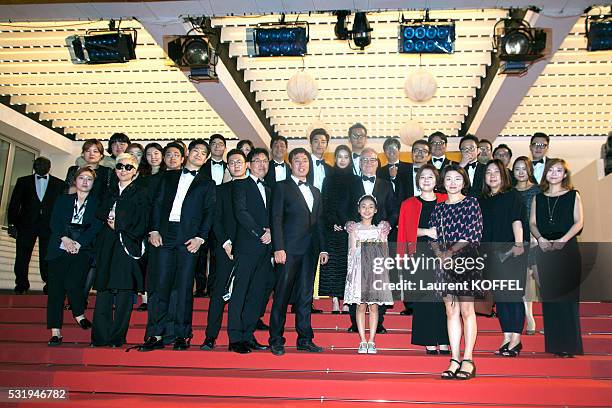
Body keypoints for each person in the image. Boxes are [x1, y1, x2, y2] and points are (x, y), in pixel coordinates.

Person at [139, 139, 216, 352]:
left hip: (189, 239)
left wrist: (200, 238)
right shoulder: (167, 176)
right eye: (196, 150)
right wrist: (153, 229)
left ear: (207, 158)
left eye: (203, 152)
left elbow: (210, 212)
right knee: (159, 286)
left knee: (183, 289)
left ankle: (182, 335)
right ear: (187, 153)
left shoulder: (207, 183)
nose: (199, 154)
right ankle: (155, 333)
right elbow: (157, 204)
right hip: (164, 235)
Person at [269, 148, 329, 356]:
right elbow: (275, 219)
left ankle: (305, 339)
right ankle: (276, 339)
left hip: (310, 251)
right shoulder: (281, 187)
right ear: (290, 164)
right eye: (297, 161)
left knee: (305, 296)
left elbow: (320, 222)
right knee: (282, 295)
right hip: (288, 250)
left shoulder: (315, 191)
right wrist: (278, 247)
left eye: (305, 161)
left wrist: (323, 248)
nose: (302, 164)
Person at [429, 165, 483, 380]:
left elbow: (473, 233)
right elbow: (433, 236)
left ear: (464, 181)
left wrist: (449, 251)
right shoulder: (439, 208)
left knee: (467, 311)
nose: (452, 182)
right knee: (451, 312)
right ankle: (454, 358)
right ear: (443, 181)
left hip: (466, 261)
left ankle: (468, 360)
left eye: (457, 178)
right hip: (444, 264)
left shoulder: (471, 203)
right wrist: (439, 253)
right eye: (448, 178)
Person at [91, 153, 149, 348]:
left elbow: (143, 222)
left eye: (128, 167)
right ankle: (100, 337)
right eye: (119, 166)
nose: (123, 170)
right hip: (107, 244)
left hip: (128, 244)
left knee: (125, 291)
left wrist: (120, 225)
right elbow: (98, 214)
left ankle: (117, 337)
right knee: (103, 290)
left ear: (136, 171)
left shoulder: (141, 193)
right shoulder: (107, 190)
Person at [529, 158, 584, 358]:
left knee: (568, 298)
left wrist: (563, 239)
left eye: (558, 170)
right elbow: (533, 223)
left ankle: (570, 345)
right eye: (551, 170)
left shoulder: (573, 195)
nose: (554, 174)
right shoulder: (539, 197)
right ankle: (554, 344)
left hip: (567, 248)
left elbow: (579, 222)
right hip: (545, 250)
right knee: (550, 298)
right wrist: (540, 239)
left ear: (564, 175)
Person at [396, 164, 449, 355]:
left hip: (444, 256)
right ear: (417, 181)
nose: (426, 180)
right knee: (425, 300)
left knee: (445, 300)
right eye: (422, 177)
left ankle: (444, 340)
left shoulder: (446, 199)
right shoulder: (408, 204)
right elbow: (403, 232)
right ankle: (429, 341)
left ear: (436, 181)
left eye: (430, 177)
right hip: (418, 256)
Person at [45, 167, 102, 346]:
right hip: (60, 247)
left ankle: (78, 313)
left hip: (82, 249)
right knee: (55, 290)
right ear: (75, 181)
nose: (85, 182)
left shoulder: (97, 203)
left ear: (93, 183)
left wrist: (78, 243)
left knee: (74, 284)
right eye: (82, 178)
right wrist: (65, 239)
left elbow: (96, 226)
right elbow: (54, 221)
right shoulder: (63, 200)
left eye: (89, 179)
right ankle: (55, 331)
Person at [225, 148, 273, 354]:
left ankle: (248, 334)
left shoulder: (270, 190)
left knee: (257, 294)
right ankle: (235, 338)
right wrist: (259, 233)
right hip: (246, 246)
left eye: (265, 161)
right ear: (248, 164)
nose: (261, 164)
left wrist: (271, 233)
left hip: (265, 249)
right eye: (257, 161)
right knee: (240, 293)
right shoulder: (240, 185)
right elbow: (241, 213)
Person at [201, 149, 248, 352]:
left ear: (246, 164)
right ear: (227, 167)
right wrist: (226, 243)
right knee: (219, 292)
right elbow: (216, 220)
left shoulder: (254, 188)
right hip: (225, 248)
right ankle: (210, 336)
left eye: (239, 162)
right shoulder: (220, 190)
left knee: (241, 295)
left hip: (247, 250)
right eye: (232, 163)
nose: (236, 165)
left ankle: (237, 338)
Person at [346, 147, 397, 334]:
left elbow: (394, 210)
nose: (368, 163)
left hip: (379, 237)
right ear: (359, 164)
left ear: (378, 163)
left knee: (378, 278)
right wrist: (348, 223)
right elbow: (343, 207)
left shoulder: (385, 184)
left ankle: (379, 322)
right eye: (365, 160)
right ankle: (355, 322)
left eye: (372, 160)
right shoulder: (351, 184)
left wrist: (388, 224)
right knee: (355, 277)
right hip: (357, 235)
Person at [479, 159, 526, 358]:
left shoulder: (512, 195)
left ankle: (516, 338)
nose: (492, 175)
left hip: (510, 251)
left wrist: (518, 244)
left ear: (503, 174)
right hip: (490, 255)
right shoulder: (482, 199)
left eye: (496, 172)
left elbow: (517, 221)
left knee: (513, 297)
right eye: (488, 172)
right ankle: (507, 337)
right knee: (500, 298)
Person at [7, 157, 64, 295]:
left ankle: (49, 284)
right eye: (37, 163)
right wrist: (12, 224)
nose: (40, 166)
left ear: (49, 166)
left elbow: (61, 208)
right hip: (26, 225)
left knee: (47, 256)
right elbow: (14, 204)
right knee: (22, 256)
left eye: (43, 164)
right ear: (33, 165)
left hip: (49, 227)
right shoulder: (23, 181)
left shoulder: (59, 184)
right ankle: (21, 284)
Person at [344, 195, 394, 354]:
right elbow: (351, 252)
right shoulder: (353, 228)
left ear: (376, 210)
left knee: (374, 307)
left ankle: (372, 340)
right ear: (358, 209)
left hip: (374, 272)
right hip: (359, 271)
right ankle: (362, 341)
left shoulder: (380, 229)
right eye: (363, 206)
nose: (367, 209)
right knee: (360, 306)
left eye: (371, 206)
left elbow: (385, 254)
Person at [319, 145, 353, 314]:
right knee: (333, 265)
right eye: (340, 156)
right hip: (331, 227)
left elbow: (357, 204)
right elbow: (324, 203)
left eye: (346, 157)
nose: (342, 160)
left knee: (348, 265)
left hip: (349, 229)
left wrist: (348, 223)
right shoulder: (328, 179)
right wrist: (333, 222)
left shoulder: (355, 179)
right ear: (335, 159)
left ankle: (346, 301)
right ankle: (334, 300)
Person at [512, 156, 541, 335]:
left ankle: (552, 318)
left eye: (524, 168)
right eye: (517, 169)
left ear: (529, 170)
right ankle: (529, 317)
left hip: (536, 238)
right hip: (518, 240)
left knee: (540, 278)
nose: (521, 172)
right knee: (524, 280)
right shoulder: (510, 192)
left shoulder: (538, 190)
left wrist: (537, 235)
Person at [195, 134, 224, 299]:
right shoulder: (200, 167)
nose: (218, 146)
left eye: (221, 144)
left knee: (216, 255)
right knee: (199, 253)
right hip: (202, 215)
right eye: (214, 144)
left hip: (221, 217)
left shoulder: (230, 166)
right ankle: (199, 288)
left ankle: (213, 288)